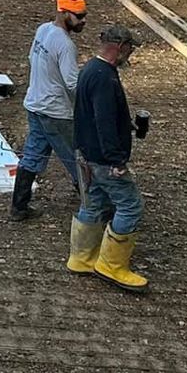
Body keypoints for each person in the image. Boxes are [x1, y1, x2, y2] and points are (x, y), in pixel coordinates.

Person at [68, 24, 146, 292]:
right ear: (120, 46)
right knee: (131, 206)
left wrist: (126, 124)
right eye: (130, 48)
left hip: (86, 154)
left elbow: (91, 115)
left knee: (93, 204)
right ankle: (112, 266)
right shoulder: (105, 77)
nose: (131, 53)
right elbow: (103, 121)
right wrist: (116, 161)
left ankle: (81, 258)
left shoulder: (90, 69)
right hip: (103, 160)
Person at [10, 0, 87, 221]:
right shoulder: (65, 44)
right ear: (63, 13)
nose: (83, 21)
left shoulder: (43, 30)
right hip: (56, 112)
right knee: (77, 158)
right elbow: (72, 83)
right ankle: (94, 206)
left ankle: (18, 207)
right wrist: (90, 104)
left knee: (32, 156)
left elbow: (31, 59)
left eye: (84, 15)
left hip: (35, 105)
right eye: (78, 16)